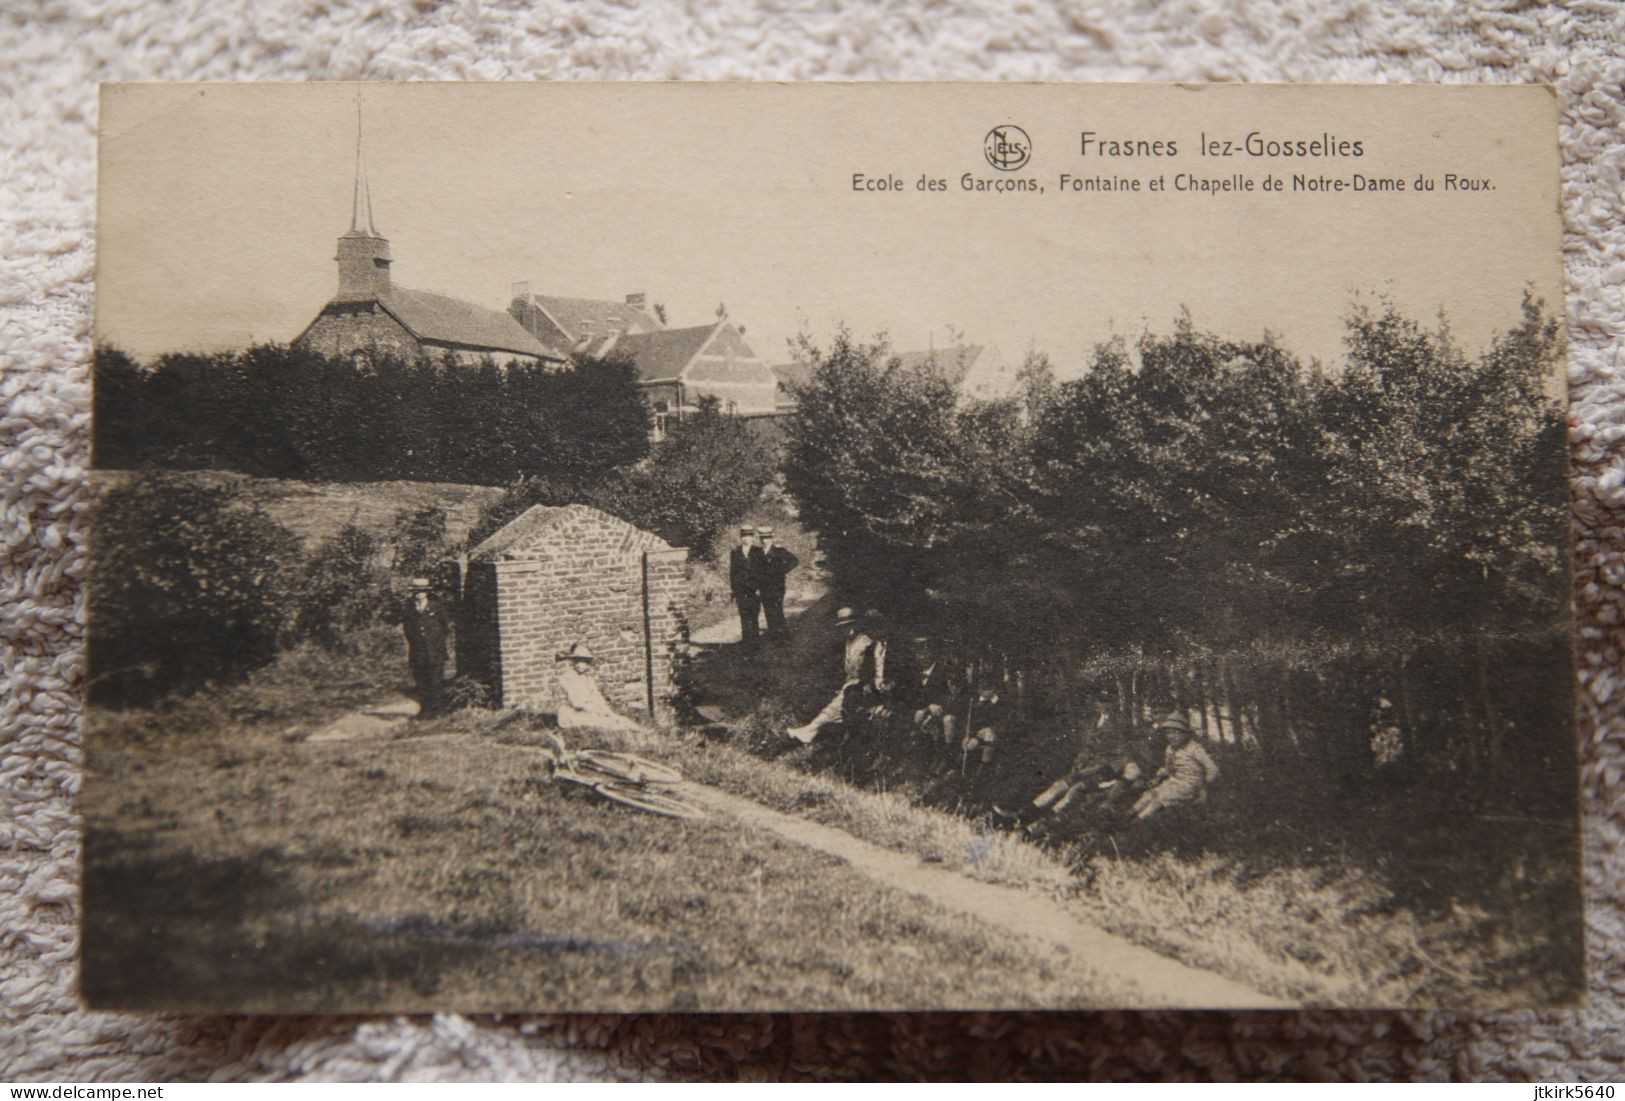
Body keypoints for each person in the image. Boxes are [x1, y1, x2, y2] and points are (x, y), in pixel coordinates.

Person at [786, 606, 887, 743]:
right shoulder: (849, 642)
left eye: (850, 625)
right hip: (850, 683)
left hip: (864, 685)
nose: (847, 630)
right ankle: (814, 730)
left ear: (857, 624)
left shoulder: (866, 641)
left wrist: (868, 682)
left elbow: (873, 667)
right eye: (843, 627)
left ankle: (811, 730)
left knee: (842, 700)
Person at [1131, 713, 1220, 820]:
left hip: (1191, 785)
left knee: (1160, 798)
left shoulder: (1195, 749)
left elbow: (1213, 768)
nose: (1171, 736)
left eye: (1176, 733)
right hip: (1175, 781)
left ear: (1185, 734)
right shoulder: (1170, 748)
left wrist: (1203, 788)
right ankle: (1129, 814)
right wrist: (1157, 778)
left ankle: (1139, 821)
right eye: (1169, 733)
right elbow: (1168, 768)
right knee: (1150, 794)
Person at [554, 642, 644, 732]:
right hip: (573, 714)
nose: (579, 664)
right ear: (572, 661)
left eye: (583, 661)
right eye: (576, 660)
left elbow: (598, 698)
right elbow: (577, 703)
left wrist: (608, 713)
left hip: (589, 712)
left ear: (588, 663)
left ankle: (641, 731)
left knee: (620, 720)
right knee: (607, 723)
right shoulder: (568, 677)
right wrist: (598, 712)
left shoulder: (588, 679)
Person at [402, 577, 450, 718]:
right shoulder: (410, 607)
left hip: (435, 651)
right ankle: (425, 710)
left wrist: (437, 644)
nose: (419, 594)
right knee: (422, 683)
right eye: (416, 591)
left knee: (436, 682)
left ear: (426, 592)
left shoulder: (436, 606)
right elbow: (408, 629)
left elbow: (444, 627)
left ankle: (439, 711)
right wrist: (416, 643)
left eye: (422, 591)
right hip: (418, 652)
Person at [755, 527, 799, 639]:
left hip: (777, 586)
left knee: (777, 610)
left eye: (767, 538)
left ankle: (784, 635)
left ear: (771, 538)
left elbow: (794, 561)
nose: (765, 540)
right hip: (763, 586)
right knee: (768, 610)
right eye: (762, 538)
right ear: (760, 539)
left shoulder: (779, 551)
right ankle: (773, 634)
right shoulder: (758, 553)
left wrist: (781, 571)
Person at [728, 526, 765, 648]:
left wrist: (760, 587)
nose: (746, 539)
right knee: (744, 615)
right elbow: (732, 572)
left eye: (748, 536)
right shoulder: (735, 552)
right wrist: (733, 589)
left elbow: (762, 571)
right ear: (740, 537)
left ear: (753, 537)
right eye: (744, 536)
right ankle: (746, 642)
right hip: (740, 590)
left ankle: (755, 641)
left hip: (754, 589)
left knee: (754, 614)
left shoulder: (758, 551)